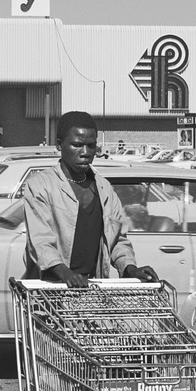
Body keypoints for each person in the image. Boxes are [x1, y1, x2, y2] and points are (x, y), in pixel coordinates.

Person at [23, 111, 158, 287]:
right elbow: (41, 242)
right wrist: (66, 274)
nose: (85, 152)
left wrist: (130, 269)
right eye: (77, 145)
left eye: (91, 146)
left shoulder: (105, 190)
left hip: (90, 292)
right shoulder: (40, 186)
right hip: (49, 293)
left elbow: (117, 241)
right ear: (59, 145)